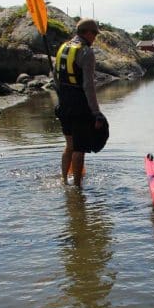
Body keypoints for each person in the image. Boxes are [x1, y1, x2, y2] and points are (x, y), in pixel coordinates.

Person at [54, 18, 106, 186]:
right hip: (79, 105)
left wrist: (61, 99)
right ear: (87, 33)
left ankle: (64, 180)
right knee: (80, 148)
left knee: (69, 145)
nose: (95, 37)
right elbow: (88, 86)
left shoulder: (63, 48)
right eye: (95, 34)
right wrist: (96, 112)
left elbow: (56, 78)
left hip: (63, 103)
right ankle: (77, 187)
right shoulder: (86, 52)